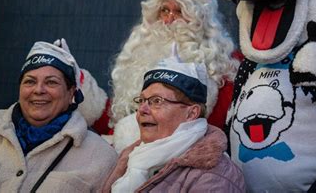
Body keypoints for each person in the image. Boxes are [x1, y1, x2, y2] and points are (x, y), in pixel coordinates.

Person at [0, 40, 117, 192]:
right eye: (30, 81)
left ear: (71, 93)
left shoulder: (101, 157)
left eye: (51, 82)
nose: (38, 90)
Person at [102, 0, 240, 151]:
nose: (169, 20)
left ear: (201, 20)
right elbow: (112, 123)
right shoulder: (137, 61)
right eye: (164, 10)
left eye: (180, 11)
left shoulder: (227, 66)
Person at [102, 52, 245, 192]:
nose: (142, 110)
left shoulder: (215, 177)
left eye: (156, 101)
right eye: (141, 100)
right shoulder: (130, 156)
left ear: (191, 113)